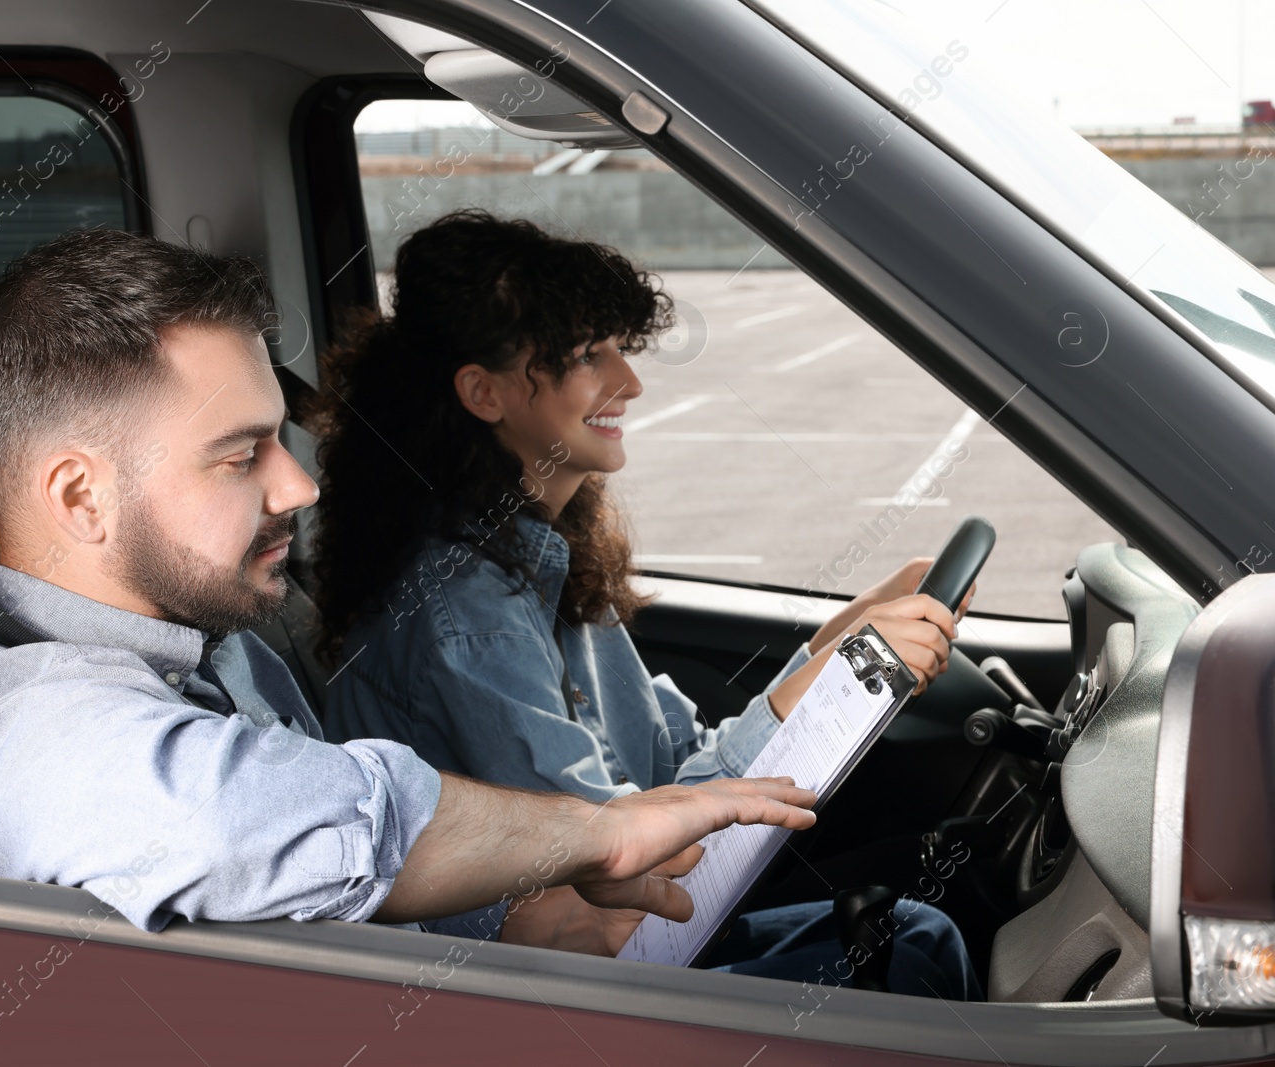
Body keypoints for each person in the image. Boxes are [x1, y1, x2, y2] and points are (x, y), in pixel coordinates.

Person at [0, 227, 822, 957]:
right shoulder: (9, 722)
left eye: (280, 438)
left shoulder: (214, 636)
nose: (298, 485)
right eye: (241, 455)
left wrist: (520, 911)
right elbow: (240, 817)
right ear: (81, 495)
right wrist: (598, 835)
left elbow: (330, 882)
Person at [313, 210, 981, 997]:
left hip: (622, 941)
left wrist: (829, 649)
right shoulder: (464, 606)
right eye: (587, 356)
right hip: (561, 982)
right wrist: (818, 684)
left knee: (930, 911)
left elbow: (665, 759)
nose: (629, 383)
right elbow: (630, 852)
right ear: (484, 392)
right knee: (930, 919)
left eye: (618, 349)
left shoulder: (541, 555)